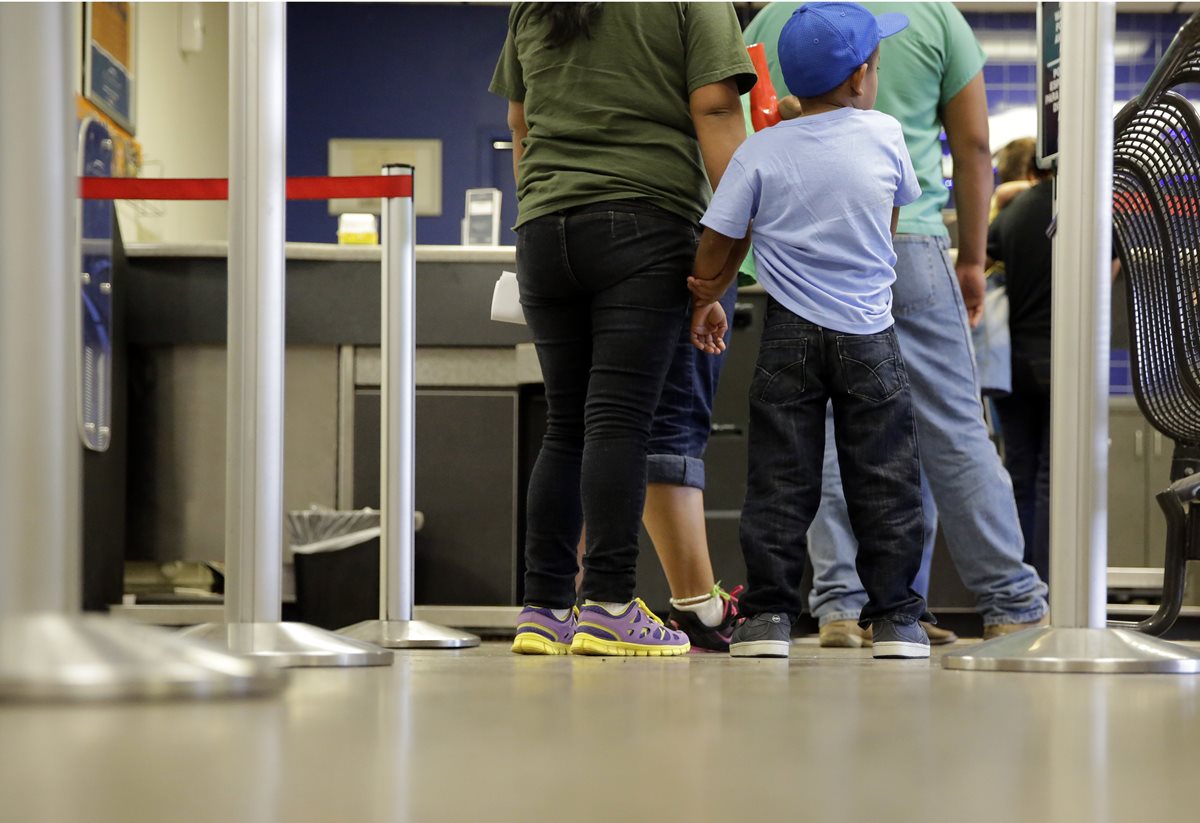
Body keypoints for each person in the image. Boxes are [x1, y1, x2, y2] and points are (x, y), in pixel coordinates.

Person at [741, 1, 1049, 647]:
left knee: (821, 436)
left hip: (799, 254)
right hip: (904, 241)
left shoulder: (772, 20)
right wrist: (969, 254)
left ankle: (841, 607)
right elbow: (972, 146)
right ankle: (1011, 601)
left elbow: (754, 130)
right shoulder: (933, 14)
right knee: (951, 429)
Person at [490, 2, 756, 656]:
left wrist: (551, 210)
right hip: (644, 218)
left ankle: (545, 608)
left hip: (545, 229)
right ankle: (609, 602)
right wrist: (730, 250)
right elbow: (718, 111)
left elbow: (520, 123)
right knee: (619, 421)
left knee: (568, 423)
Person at [689, 2, 931, 660]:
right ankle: (898, 622)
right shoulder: (884, 135)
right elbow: (888, 222)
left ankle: (768, 618)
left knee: (780, 478)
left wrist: (705, 293)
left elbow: (719, 237)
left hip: (788, 331)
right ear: (860, 78)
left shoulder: (759, 150)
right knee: (885, 478)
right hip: (869, 334)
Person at [988, 155, 1055, 585]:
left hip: (1012, 362)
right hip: (1061, 358)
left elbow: (987, 261)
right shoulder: (1086, 208)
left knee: (1020, 474)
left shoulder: (1011, 214)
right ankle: (1050, 587)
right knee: (1054, 475)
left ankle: (1020, 582)